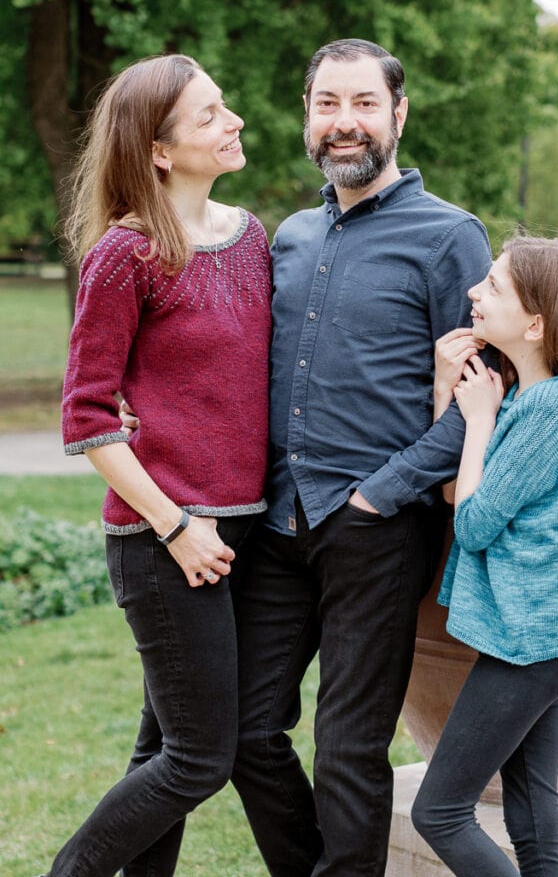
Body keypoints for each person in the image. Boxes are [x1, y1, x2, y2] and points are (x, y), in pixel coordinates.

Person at [229, 38, 493, 877]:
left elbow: (486, 393)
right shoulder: (290, 237)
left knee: (346, 749)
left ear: (398, 114)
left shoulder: (449, 235)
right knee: (240, 729)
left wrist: (383, 493)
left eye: (363, 104)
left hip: (375, 529)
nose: (344, 123)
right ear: (306, 116)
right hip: (276, 520)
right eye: (326, 104)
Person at [42, 54, 272, 877]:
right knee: (199, 760)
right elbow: (87, 417)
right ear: (161, 151)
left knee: (163, 751)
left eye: (224, 104)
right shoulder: (126, 254)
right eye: (209, 115)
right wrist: (173, 525)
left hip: (246, 535)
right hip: (164, 542)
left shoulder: (252, 240)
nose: (233, 120)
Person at [411, 236, 558, 876]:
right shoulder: (526, 398)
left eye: (493, 286)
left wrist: (478, 422)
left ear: (535, 323)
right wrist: (453, 394)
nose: (475, 292)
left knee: (439, 812)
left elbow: (470, 525)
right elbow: (459, 491)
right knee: (533, 827)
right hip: (537, 635)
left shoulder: (550, 409)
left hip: (533, 641)